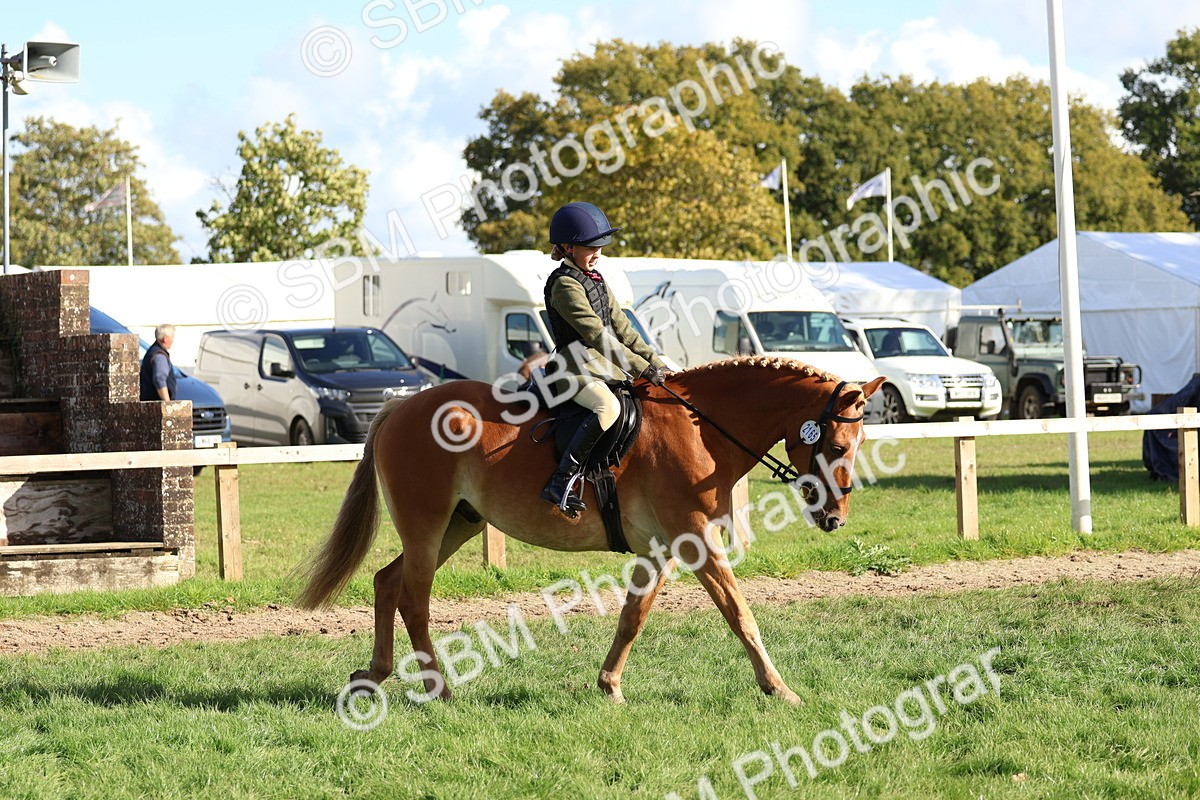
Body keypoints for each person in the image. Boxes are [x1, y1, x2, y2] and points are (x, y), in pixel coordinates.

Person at [541, 201, 669, 515]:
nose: (597, 253)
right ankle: (561, 480)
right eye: (590, 248)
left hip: (602, 367)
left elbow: (624, 329)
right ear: (568, 248)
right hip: (572, 370)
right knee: (607, 407)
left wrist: (657, 363)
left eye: (600, 247)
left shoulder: (597, 280)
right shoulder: (564, 286)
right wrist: (641, 368)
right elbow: (596, 335)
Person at [140, 324, 177, 402]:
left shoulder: (152, 351)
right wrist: (167, 403)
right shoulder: (160, 356)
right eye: (172, 337)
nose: (173, 341)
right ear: (166, 339)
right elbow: (159, 380)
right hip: (156, 406)